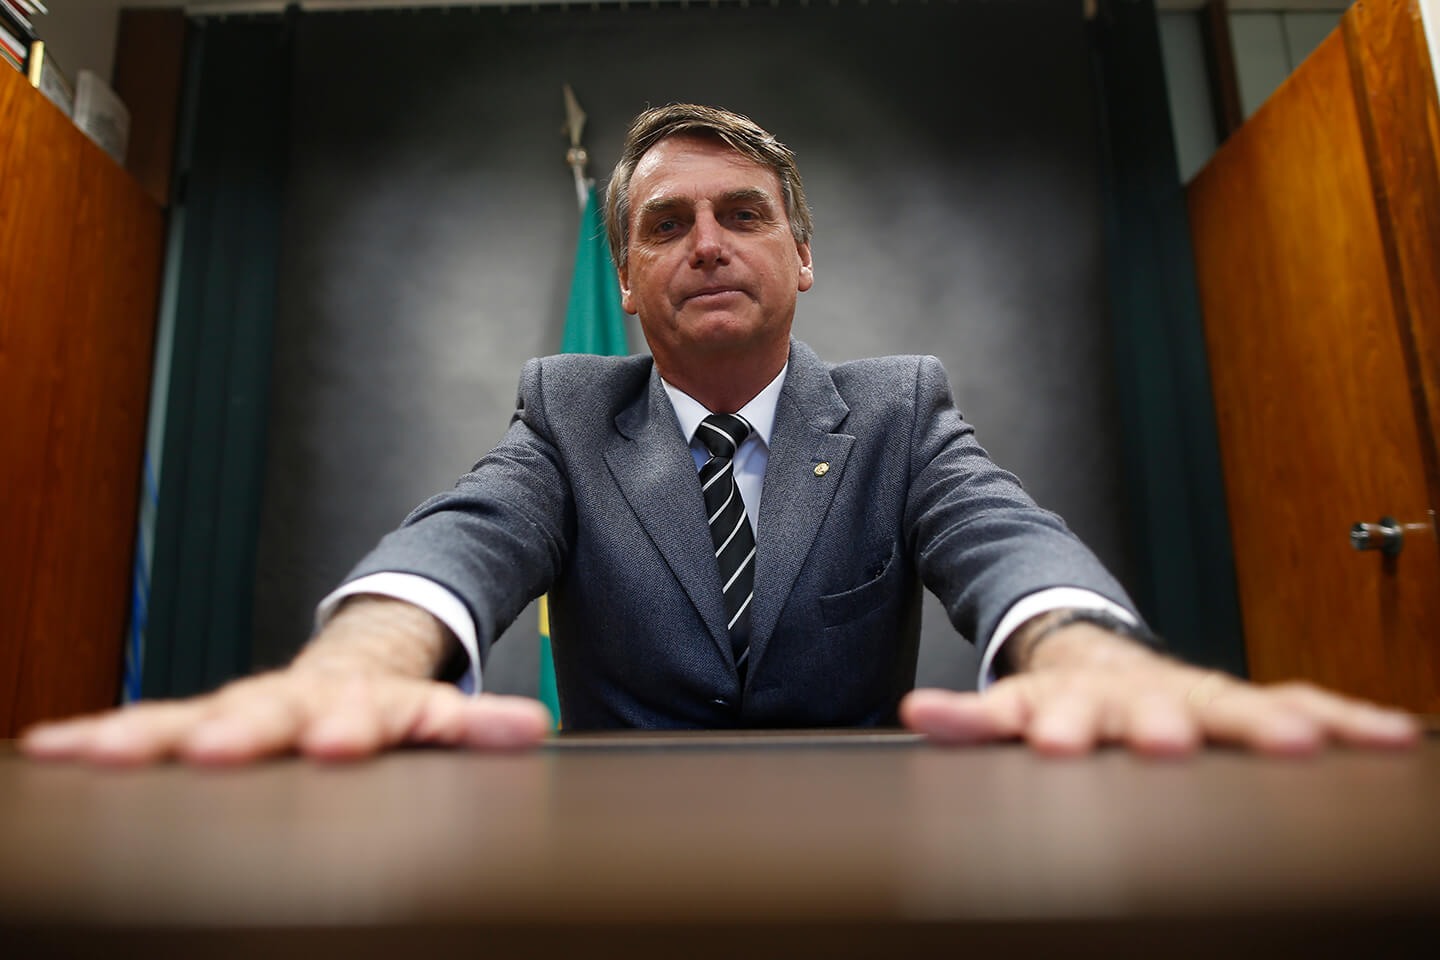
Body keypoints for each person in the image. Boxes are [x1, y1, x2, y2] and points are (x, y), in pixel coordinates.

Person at [23, 104, 1418, 765]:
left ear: (801, 255)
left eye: (743, 214)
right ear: (625, 281)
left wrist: (1087, 655)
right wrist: (362, 661)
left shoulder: (900, 410)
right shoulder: (568, 412)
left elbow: (1005, 540)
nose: (706, 242)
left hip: (866, 853)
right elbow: (467, 537)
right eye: (666, 224)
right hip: (609, 862)